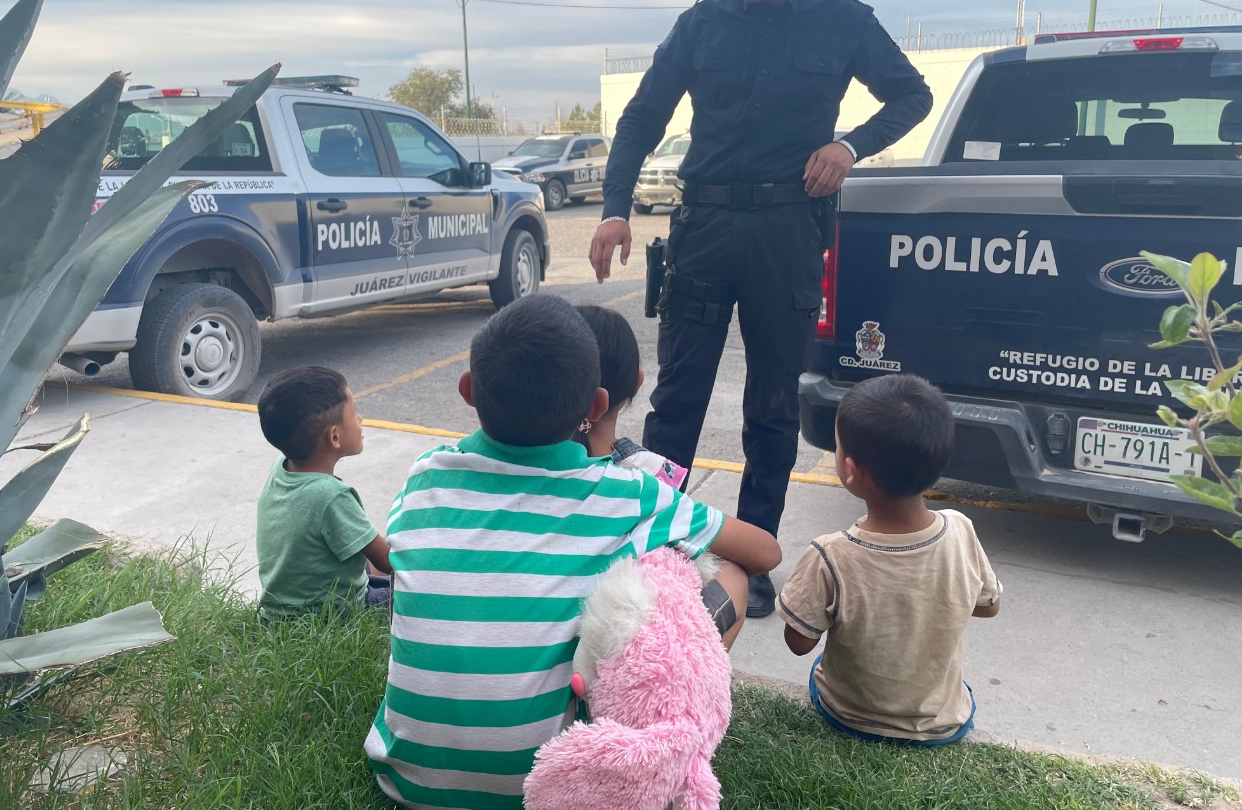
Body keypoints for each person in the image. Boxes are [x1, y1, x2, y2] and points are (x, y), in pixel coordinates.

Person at [588, 0, 934, 617]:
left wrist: (850, 144)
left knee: (772, 407)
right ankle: (666, 552)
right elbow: (642, 116)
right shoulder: (702, 24)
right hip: (705, 230)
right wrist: (615, 209)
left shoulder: (841, 21)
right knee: (676, 404)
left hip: (788, 233)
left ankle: (756, 554)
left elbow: (911, 95)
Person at [364, 294, 781, 809]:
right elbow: (765, 553)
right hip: (556, 788)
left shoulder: (424, 475)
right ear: (598, 406)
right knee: (725, 574)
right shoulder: (627, 494)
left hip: (409, 784)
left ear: (469, 391)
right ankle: (675, 720)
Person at [776, 374, 1002, 745]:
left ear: (850, 469)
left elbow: (799, 643)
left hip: (849, 714)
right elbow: (989, 607)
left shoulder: (830, 554)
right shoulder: (960, 530)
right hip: (941, 720)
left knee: (823, 667)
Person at [573, 303, 747, 648]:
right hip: (624, 643)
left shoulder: (532, 467)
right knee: (734, 576)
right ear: (637, 383)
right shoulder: (647, 478)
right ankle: (692, 673)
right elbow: (766, 552)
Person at [255, 366, 392, 619]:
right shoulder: (331, 496)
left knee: (363, 552)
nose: (360, 420)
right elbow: (388, 562)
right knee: (414, 590)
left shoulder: (281, 467)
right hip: (330, 614)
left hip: (280, 610)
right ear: (335, 436)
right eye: (354, 413)